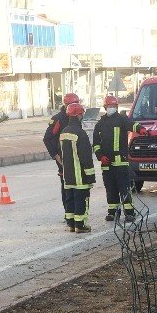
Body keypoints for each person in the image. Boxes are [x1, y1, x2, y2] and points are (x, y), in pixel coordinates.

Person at [92, 95, 147, 222]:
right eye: (109, 106)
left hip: (120, 163)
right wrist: (100, 156)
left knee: (124, 188)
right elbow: (95, 144)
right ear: (105, 107)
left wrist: (141, 129)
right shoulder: (100, 124)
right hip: (107, 164)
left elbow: (132, 124)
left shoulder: (122, 119)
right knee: (111, 189)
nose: (111, 108)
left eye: (114, 106)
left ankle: (129, 213)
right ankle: (113, 212)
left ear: (116, 107)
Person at [58, 102, 96, 233]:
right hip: (80, 176)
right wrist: (90, 176)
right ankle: (80, 225)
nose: (82, 116)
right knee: (81, 200)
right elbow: (86, 157)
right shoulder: (81, 133)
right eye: (82, 114)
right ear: (78, 115)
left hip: (68, 176)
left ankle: (71, 224)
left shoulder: (63, 132)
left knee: (70, 200)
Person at [43, 92, 80, 223]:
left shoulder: (76, 117)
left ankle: (77, 212)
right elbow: (47, 138)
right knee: (66, 186)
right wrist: (56, 156)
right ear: (66, 105)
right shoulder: (58, 119)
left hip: (75, 157)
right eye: (72, 104)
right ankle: (68, 213)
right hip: (63, 158)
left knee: (77, 185)